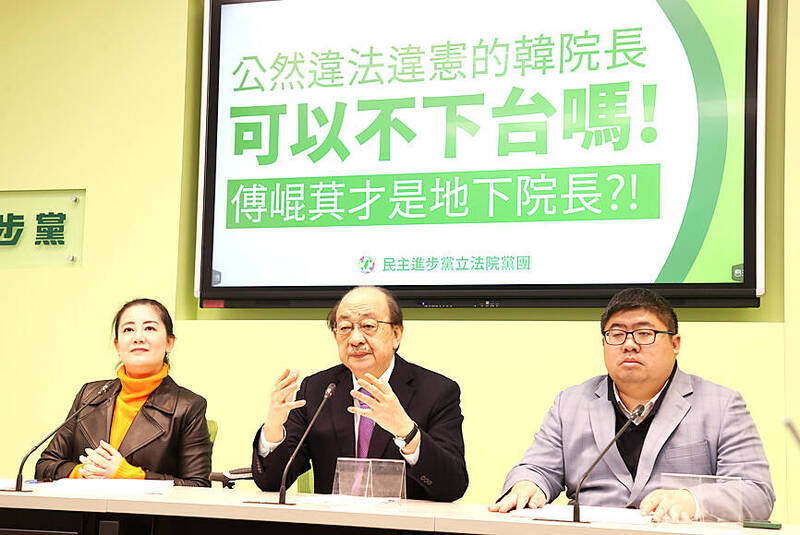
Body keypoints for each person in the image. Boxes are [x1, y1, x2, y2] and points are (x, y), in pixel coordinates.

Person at [491, 288, 774, 522]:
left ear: (675, 344)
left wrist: (692, 500)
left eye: (644, 333)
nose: (629, 345)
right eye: (616, 334)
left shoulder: (721, 405)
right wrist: (528, 484)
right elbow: (537, 469)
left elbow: (756, 494)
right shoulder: (572, 402)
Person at [251, 286, 468, 501]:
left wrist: (406, 431)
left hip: (402, 529)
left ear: (396, 334)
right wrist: (273, 429)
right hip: (333, 529)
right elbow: (272, 482)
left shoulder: (436, 392)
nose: (355, 339)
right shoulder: (318, 390)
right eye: (345, 327)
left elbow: (452, 487)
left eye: (368, 326)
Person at [35, 298, 212, 486]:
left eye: (149, 328)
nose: (138, 337)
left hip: (145, 514)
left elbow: (197, 485)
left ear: (170, 343)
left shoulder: (188, 406)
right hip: (85, 511)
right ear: (117, 345)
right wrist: (82, 472)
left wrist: (129, 475)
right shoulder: (89, 395)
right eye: (128, 329)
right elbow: (45, 466)